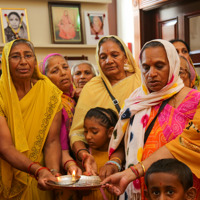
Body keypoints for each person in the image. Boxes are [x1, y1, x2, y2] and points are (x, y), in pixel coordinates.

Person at [101, 39, 200, 200]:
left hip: (178, 191)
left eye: (159, 66)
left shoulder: (195, 101)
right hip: (137, 187)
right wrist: (115, 163)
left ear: (173, 65)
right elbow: (124, 144)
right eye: (146, 67)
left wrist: (132, 172)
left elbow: (187, 145)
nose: (151, 73)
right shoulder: (136, 101)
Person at [69, 35, 141, 176]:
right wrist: (84, 155)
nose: (109, 61)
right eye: (103, 57)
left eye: (115, 55)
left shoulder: (140, 82)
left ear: (125, 57)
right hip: (99, 166)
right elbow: (76, 132)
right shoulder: (91, 87)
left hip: (137, 160)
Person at [0, 39, 63, 200]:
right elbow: (5, 147)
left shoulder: (49, 93)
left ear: (35, 61)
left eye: (28, 55)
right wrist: (37, 170)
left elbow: (52, 141)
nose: (23, 62)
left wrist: (53, 174)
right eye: (15, 56)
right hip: (7, 172)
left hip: (40, 177)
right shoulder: (1, 94)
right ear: (5, 62)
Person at [42, 53, 81, 200]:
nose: (63, 72)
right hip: (61, 167)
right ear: (45, 78)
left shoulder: (75, 98)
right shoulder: (52, 104)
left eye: (65, 67)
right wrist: (70, 165)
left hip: (81, 161)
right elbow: (56, 142)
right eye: (55, 70)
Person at [82, 107, 118, 200]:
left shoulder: (115, 156)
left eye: (94, 132)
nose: (88, 136)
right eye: (85, 131)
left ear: (110, 132)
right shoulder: (86, 156)